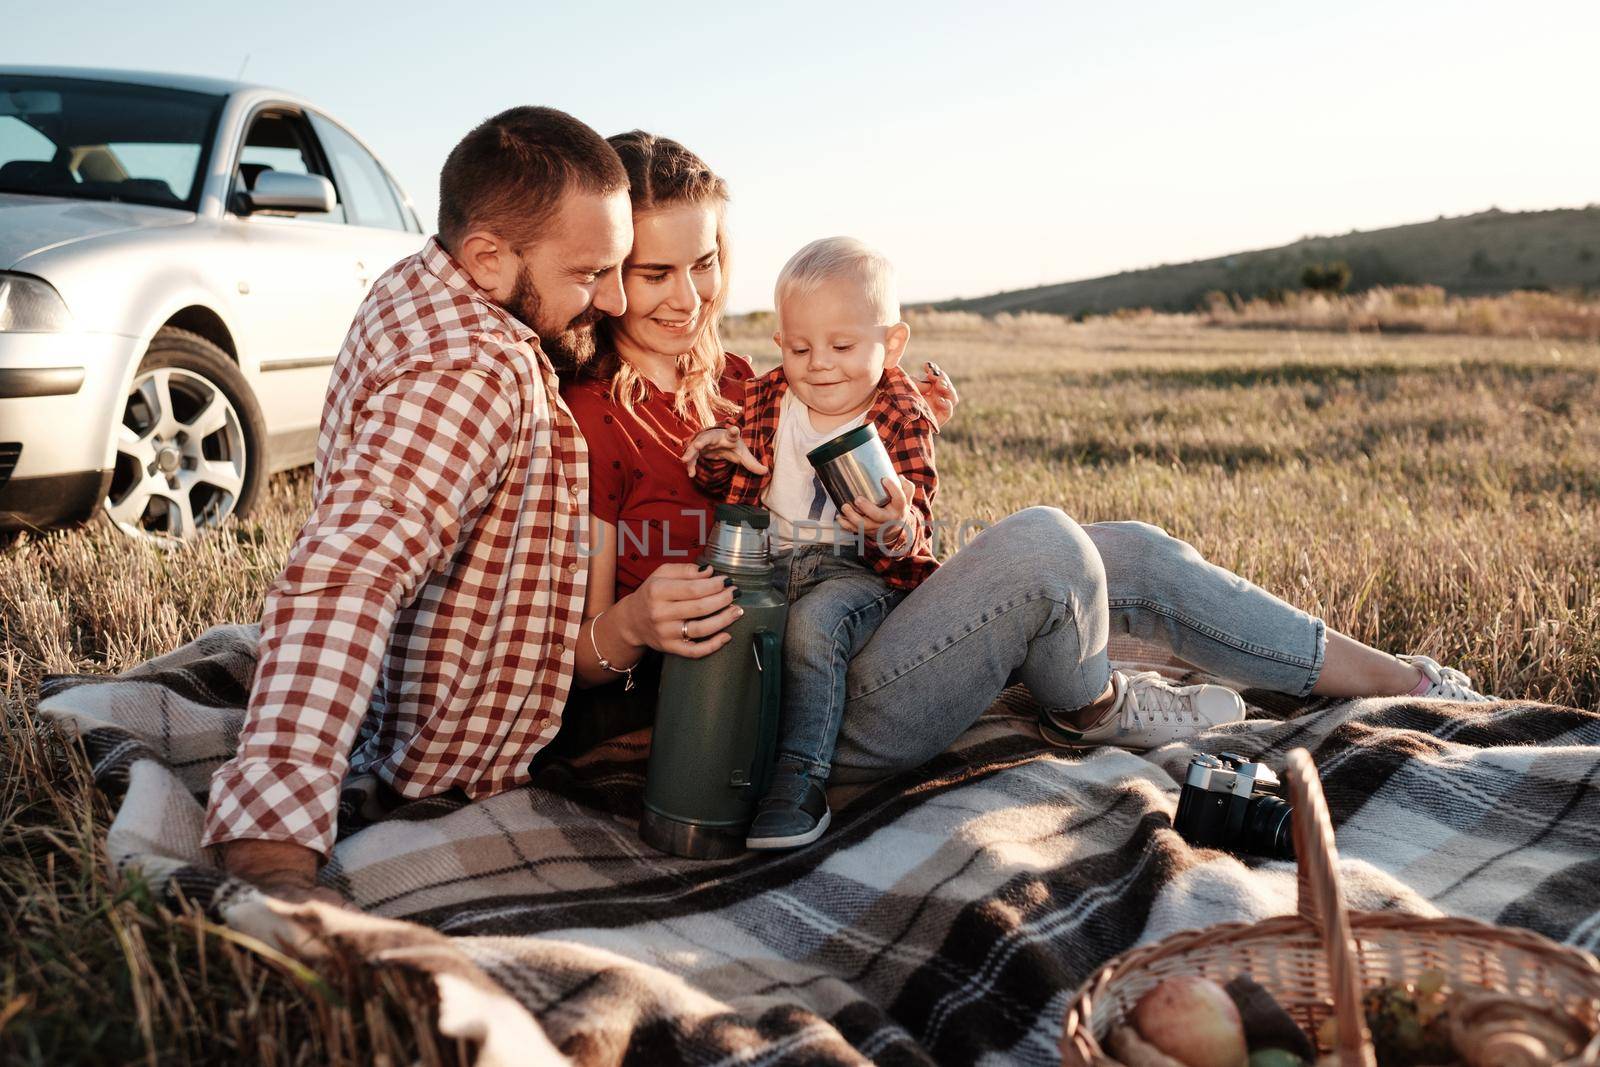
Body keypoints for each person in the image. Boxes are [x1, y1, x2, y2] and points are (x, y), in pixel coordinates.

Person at [563, 131, 1491, 800]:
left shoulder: (757, 381)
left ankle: (1403, 681)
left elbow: (869, 511)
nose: (688, 297)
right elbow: (578, 661)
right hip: (763, 716)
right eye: (655, 273)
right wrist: (639, 619)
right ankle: (1097, 704)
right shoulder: (590, 424)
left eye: (707, 262)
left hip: (863, 636)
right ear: (607, 278)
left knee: (1122, 550)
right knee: (1047, 546)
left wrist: (900, 425)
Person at [202, 106, 648, 904]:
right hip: (468, 757)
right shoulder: (473, 373)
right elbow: (347, 579)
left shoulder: (417, 283)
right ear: (486, 256)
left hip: (412, 707)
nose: (613, 300)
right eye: (588, 273)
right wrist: (274, 835)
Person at [680, 236, 1030, 849]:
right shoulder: (767, 400)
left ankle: (801, 780)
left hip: (857, 572)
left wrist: (890, 524)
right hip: (770, 564)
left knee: (814, 627)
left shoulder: (898, 416)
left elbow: (913, 522)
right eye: (799, 347)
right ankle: (713, 766)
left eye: (842, 346)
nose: (819, 363)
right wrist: (712, 458)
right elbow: (729, 482)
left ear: (890, 344)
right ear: (780, 345)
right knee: (716, 618)